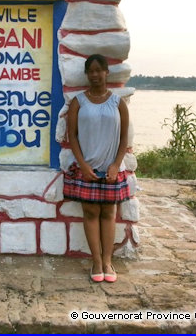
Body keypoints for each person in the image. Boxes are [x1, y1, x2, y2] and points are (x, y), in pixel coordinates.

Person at [64, 54, 130, 283]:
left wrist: (115, 165)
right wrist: (82, 165)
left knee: (109, 214)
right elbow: (71, 135)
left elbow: (124, 139)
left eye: (98, 70)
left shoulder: (117, 103)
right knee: (90, 213)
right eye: (90, 71)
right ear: (87, 74)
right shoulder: (78, 102)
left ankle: (108, 261)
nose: (94, 75)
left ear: (106, 73)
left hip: (111, 170)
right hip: (87, 169)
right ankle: (96, 261)